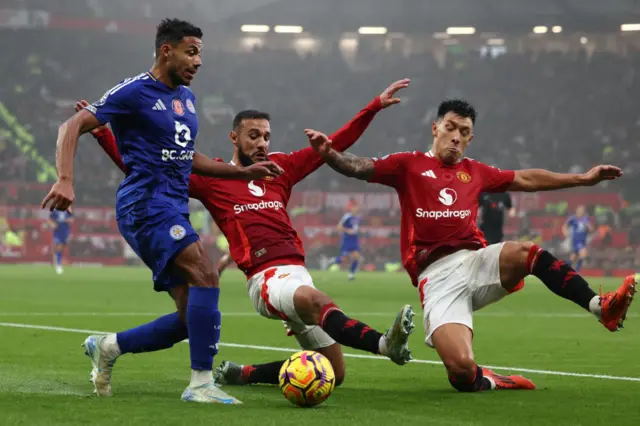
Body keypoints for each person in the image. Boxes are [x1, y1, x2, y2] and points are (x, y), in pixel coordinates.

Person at [79, 79, 415, 390]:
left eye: (266, 136)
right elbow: (143, 168)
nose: (262, 143)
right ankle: (387, 344)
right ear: (234, 138)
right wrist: (102, 135)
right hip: (266, 279)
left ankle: (245, 373)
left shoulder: (280, 168)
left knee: (333, 373)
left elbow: (333, 146)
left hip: (298, 274)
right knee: (319, 302)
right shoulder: (214, 178)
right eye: (253, 135)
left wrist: (372, 107)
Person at [305, 98, 636, 392]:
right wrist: (329, 154)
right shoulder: (408, 164)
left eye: (463, 131)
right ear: (435, 128)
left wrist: (582, 179)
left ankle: (600, 307)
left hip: (476, 261)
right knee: (461, 371)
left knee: (526, 252)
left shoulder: (475, 171)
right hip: (436, 279)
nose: (456, 136)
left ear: (470, 138)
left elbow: (526, 179)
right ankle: (487, 379)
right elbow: (360, 167)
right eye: (450, 128)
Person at [42, 19, 281, 404]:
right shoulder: (134, 92)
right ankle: (201, 384)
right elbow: (71, 126)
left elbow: (191, 158)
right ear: (166, 51)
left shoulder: (186, 99)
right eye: (191, 51)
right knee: (206, 273)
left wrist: (241, 172)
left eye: (200, 53)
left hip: (172, 207)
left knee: (190, 318)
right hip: (145, 205)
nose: (198, 61)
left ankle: (108, 347)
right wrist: (66, 178)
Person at [332, 199, 362, 280]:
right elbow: (339, 227)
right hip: (346, 240)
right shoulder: (347, 216)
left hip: (354, 240)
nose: (356, 208)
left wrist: (356, 231)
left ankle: (351, 275)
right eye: (354, 207)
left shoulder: (358, 217)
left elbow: (355, 227)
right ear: (351, 208)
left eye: (357, 207)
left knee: (357, 257)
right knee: (344, 259)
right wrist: (347, 230)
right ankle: (333, 260)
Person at [563, 205, 593, 272]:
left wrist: (587, 223)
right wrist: (565, 232)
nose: (582, 211)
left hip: (583, 241)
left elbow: (591, 230)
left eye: (583, 210)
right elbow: (565, 226)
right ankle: (577, 271)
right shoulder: (573, 218)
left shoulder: (586, 219)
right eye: (580, 210)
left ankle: (563, 268)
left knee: (573, 258)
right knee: (583, 253)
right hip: (576, 240)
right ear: (577, 211)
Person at [48, 208, 73, 274]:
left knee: (61, 247)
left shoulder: (67, 211)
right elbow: (50, 220)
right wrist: (52, 224)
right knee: (59, 245)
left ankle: (56, 258)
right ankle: (58, 264)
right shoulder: (55, 211)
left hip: (65, 231)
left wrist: (67, 220)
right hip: (57, 231)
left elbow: (71, 219)